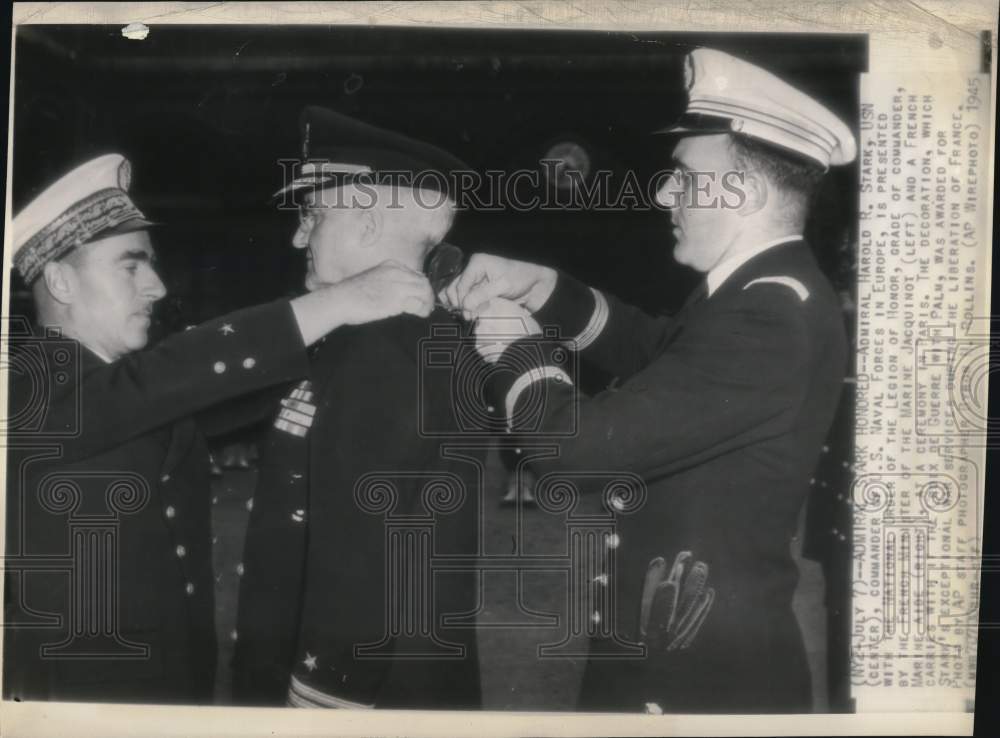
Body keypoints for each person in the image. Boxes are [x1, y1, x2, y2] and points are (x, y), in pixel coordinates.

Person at [442, 48, 856, 712]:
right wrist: (543, 286)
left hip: (698, 681)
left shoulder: (769, 314)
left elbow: (575, 452)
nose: (663, 193)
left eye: (683, 177)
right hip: (674, 652)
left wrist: (521, 350)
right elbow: (660, 350)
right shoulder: (758, 294)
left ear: (744, 193)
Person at [3, 153, 435, 704]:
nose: (156, 286)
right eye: (131, 266)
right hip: (76, 701)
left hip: (166, 684)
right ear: (60, 281)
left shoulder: (118, 388)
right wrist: (336, 300)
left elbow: (209, 391)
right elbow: (173, 376)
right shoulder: (29, 387)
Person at [232, 108, 482, 709]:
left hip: (355, 694)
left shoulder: (380, 352)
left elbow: (367, 559)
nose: (299, 236)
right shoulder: (390, 335)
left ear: (367, 225)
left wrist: (322, 703)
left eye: (312, 216)